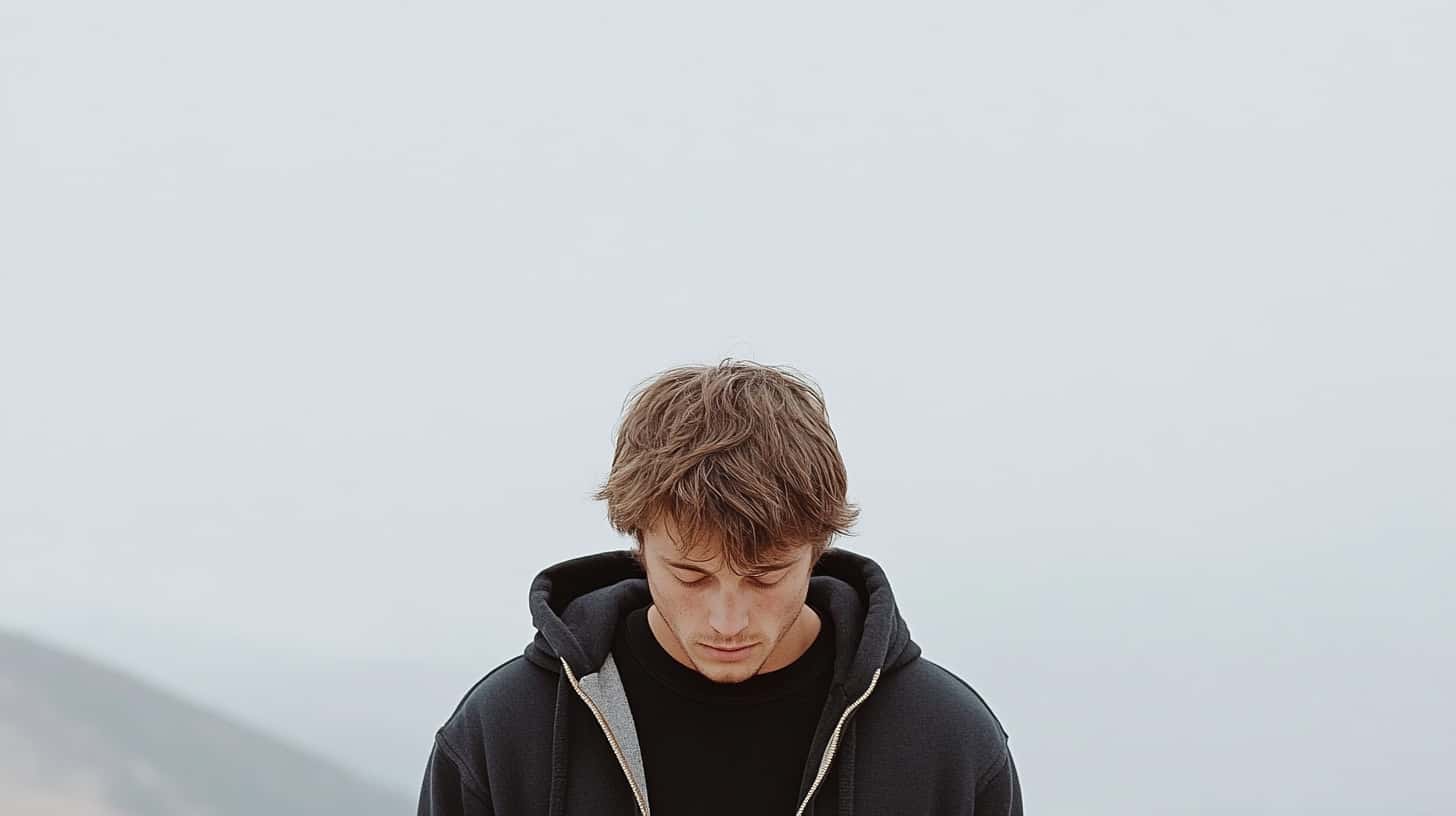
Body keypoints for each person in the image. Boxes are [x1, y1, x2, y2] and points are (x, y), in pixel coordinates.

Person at [418, 360, 1022, 815]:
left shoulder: (948, 741)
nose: (728, 620)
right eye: (690, 575)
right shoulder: (502, 733)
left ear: (818, 548)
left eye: (766, 576)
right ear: (639, 545)